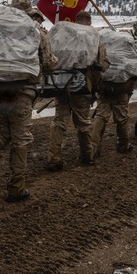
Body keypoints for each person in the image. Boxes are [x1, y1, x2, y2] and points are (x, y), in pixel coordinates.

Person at [0, 0, 57, 202]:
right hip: (22, 91)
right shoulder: (35, 30)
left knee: (0, 133)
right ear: (28, 12)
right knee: (20, 138)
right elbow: (47, 62)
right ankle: (17, 187)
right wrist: (54, 62)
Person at [45, 10, 109, 171]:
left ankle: (54, 158)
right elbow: (103, 63)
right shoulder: (93, 37)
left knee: (59, 120)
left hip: (60, 83)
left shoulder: (64, 36)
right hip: (81, 84)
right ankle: (86, 156)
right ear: (89, 21)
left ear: (76, 20)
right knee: (82, 121)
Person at [89, 32, 137, 160]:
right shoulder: (131, 56)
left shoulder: (103, 51)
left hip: (104, 88)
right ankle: (123, 145)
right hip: (122, 90)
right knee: (122, 117)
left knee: (101, 115)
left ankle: (93, 147)